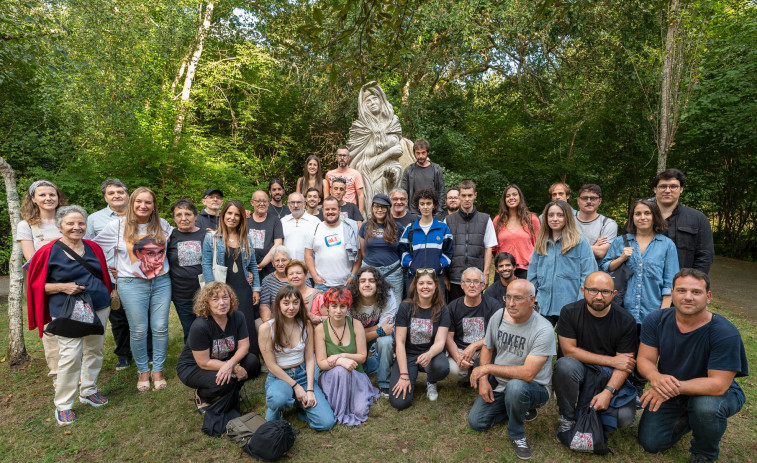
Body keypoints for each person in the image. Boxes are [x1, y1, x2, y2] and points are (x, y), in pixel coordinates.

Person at [637, 269, 748, 462]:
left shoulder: (724, 332)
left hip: (715, 393)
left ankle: (703, 453)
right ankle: (692, 417)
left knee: (705, 407)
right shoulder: (656, 320)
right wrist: (656, 378)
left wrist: (667, 387)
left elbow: (718, 384)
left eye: (696, 292)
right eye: (681, 290)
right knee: (651, 442)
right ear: (672, 294)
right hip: (673, 388)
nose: (688, 297)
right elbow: (645, 360)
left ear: (708, 297)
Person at [27, 206, 112, 425]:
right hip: (67, 310)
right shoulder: (47, 252)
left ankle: (88, 390)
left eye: (80, 223)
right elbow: (35, 286)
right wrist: (62, 286)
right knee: (70, 355)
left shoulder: (93, 247)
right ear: (60, 227)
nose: (76, 227)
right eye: (70, 224)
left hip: (99, 306)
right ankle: (63, 404)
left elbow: (102, 273)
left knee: (94, 349)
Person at [94, 187, 173, 392]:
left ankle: (158, 371)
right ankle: (142, 372)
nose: (143, 206)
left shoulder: (162, 224)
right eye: (139, 201)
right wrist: (110, 267)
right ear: (132, 203)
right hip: (131, 284)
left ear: (154, 205)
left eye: (148, 202)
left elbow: (181, 235)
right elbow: (93, 249)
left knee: (160, 327)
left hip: (161, 282)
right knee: (138, 330)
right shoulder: (117, 226)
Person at [467, 280, 556, 461]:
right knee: (477, 422)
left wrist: (486, 368)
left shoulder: (543, 329)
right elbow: (488, 347)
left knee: (516, 387)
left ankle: (517, 434)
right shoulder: (499, 316)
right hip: (502, 384)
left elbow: (528, 374)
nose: (511, 304)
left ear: (532, 300)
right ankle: (517, 407)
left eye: (517, 298)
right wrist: (484, 380)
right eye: (508, 297)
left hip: (534, 387)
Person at [553, 272, 639, 434]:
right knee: (564, 365)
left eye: (605, 292)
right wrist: (612, 361)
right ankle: (567, 416)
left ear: (614, 294)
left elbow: (625, 364)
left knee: (625, 418)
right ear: (582, 290)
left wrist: (608, 393)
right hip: (578, 369)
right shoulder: (569, 312)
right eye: (593, 290)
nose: (599, 296)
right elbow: (569, 351)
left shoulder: (626, 321)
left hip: (607, 375)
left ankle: (593, 411)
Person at [259, 285, 336, 431]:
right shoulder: (266, 328)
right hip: (280, 376)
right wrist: (296, 387)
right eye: (286, 303)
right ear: (278, 304)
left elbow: (309, 359)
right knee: (276, 402)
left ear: (300, 304)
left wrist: (310, 389)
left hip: (302, 373)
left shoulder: (306, 325)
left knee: (326, 423)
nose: (291, 307)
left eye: (295, 302)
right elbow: (271, 365)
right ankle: (284, 402)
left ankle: (300, 406)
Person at [176, 282, 261, 412]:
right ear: (206, 303)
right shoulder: (200, 326)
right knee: (224, 382)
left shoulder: (238, 316)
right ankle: (202, 396)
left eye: (225, 297)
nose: (222, 303)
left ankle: (231, 392)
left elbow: (244, 346)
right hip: (194, 367)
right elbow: (204, 362)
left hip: (224, 360)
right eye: (215, 299)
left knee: (252, 362)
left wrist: (231, 365)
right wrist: (234, 368)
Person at [84, 178, 135, 371]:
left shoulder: (139, 214)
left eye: (120, 192)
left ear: (127, 194)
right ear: (105, 196)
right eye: (111, 193)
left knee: (142, 316)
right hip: (111, 278)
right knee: (118, 318)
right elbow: (87, 247)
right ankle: (123, 354)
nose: (116, 196)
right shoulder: (94, 219)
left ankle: (147, 351)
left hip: (139, 275)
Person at [601, 199, 679, 325]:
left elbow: (670, 283)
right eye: (638, 214)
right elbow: (605, 268)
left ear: (655, 216)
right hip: (621, 311)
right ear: (632, 217)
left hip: (653, 312)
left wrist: (663, 313)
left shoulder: (667, 245)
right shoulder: (620, 241)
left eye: (647, 213)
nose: (642, 217)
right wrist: (621, 259)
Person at [202, 200, 261, 355]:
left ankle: (251, 356)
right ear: (223, 215)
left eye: (237, 214)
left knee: (246, 321)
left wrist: (256, 289)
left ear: (242, 218)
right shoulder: (212, 238)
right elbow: (206, 264)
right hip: (222, 287)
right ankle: (229, 355)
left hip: (243, 287)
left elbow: (253, 264)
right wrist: (212, 290)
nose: (233, 217)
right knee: (225, 321)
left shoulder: (246, 239)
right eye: (229, 213)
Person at [314, 287, 380, 426]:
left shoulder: (355, 324)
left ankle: (354, 398)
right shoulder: (320, 329)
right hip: (333, 378)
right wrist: (340, 362)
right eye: (334, 306)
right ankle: (339, 408)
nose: (338, 311)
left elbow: (362, 357)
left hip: (356, 374)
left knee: (360, 411)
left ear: (348, 307)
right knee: (341, 370)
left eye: (342, 306)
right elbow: (321, 363)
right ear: (327, 307)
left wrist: (340, 355)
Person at [527, 200, 597, 325]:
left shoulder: (579, 242)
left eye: (560, 215)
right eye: (551, 215)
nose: (555, 219)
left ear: (567, 217)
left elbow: (589, 275)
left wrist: (581, 304)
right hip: (543, 305)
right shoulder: (541, 242)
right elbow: (532, 275)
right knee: (541, 343)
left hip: (570, 306)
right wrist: (532, 300)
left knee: (566, 344)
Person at [389, 270, 450, 409]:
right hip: (408, 355)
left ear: (435, 286)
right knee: (399, 403)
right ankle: (409, 375)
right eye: (421, 283)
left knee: (442, 367)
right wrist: (404, 375)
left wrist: (429, 354)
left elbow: (440, 342)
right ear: (415, 286)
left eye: (429, 283)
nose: (425, 287)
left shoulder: (442, 309)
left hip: (430, 355)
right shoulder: (405, 307)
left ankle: (431, 380)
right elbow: (400, 342)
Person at [348, 83, 406, 210]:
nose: (372, 103)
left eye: (375, 98)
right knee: (378, 187)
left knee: (394, 173)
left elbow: (399, 149)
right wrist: (389, 152)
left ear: (381, 100)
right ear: (364, 106)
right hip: (370, 176)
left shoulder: (393, 121)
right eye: (368, 100)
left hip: (392, 170)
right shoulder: (360, 128)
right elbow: (362, 165)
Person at [347, 266, 398, 397]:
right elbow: (350, 335)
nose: (367, 284)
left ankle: (384, 383)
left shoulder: (387, 295)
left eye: (372, 280)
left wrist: (361, 331)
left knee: (385, 340)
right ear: (357, 284)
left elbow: (386, 329)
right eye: (363, 281)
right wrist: (377, 331)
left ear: (378, 283)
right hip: (355, 340)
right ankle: (376, 363)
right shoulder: (349, 299)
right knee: (360, 369)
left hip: (377, 336)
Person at [651, 168, 714, 274]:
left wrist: (693, 282)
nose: (667, 190)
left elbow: (705, 256)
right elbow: (626, 246)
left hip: (682, 285)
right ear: (655, 189)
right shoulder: (640, 216)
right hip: (645, 284)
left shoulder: (698, 219)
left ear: (681, 189)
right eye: (663, 186)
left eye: (673, 186)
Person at [445, 180, 497, 301]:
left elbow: (489, 247)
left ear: (475, 195)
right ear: (459, 196)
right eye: (463, 195)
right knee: (455, 312)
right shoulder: (448, 220)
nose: (467, 199)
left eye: (470, 195)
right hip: (455, 277)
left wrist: (486, 273)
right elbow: (444, 249)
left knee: (475, 312)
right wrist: (445, 276)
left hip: (476, 277)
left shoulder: (485, 219)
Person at [445, 267, 500, 381]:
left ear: (483, 285)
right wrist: (458, 358)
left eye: (476, 281)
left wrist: (473, 346)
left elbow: (496, 335)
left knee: (495, 362)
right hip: (461, 350)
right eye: (468, 281)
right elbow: (448, 337)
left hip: (485, 349)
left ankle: (479, 374)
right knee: (452, 369)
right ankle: (467, 377)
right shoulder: (452, 306)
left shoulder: (493, 305)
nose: (472, 285)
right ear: (462, 284)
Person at [399, 189, 454, 300]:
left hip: (436, 277)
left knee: (437, 310)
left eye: (428, 203)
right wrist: (410, 263)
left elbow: (448, 252)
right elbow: (402, 251)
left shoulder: (443, 228)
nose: (425, 207)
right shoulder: (410, 229)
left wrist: (440, 265)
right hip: (414, 278)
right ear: (418, 206)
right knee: (413, 310)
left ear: (434, 205)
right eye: (422, 204)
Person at [166, 199, 204, 342]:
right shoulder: (169, 237)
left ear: (195, 216)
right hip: (181, 293)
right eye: (179, 215)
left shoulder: (206, 235)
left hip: (204, 292)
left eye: (188, 214)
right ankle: (191, 361)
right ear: (174, 218)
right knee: (190, 330)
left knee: (207, 327)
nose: (183, 218)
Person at [304, 196, 362, 291]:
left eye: (333, 209)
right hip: (322, 285)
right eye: (327, 209)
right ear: (322, 210)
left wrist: (353, 275)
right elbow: (308, 255)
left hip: (346, 284)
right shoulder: (314, 229)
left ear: (339, 210)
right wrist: (314, 276)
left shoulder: (350, 228)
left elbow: (358, 254)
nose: (330, 212)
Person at [359, 193, 403, 303]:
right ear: (372, 208)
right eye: (376, 206)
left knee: (394, 307)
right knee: (370, 306)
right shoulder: (365, 227)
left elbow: (402, 250)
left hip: (393, 271)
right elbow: (362, 252)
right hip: (370, 272)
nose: (379, 210)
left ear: (388, 209)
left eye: (383, 207)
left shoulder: (397, 227)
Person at [492, 184, 540, 280]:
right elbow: (493, 248)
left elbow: (539, 246)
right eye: (508, 196)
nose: (511, 198)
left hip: (526, 270)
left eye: (514, 194)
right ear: (504, 200)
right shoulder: (498, 220)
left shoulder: (532, 219)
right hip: (504, 270)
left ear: (520, 197)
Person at [17, 179, 66, 262]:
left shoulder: (70, 222)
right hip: (46, 273)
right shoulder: (26, 225)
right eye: (42, 195)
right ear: (33, 199)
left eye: (52, 195)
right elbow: (32, 261)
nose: (48, 198)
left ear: (58, 197)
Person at [401, 138, 446, 215]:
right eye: (418, 153)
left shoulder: (436, 169)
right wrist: (407, 211)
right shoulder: (409, 170)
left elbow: (442, 192)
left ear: (427, 152)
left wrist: (438, 211)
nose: (420, 156)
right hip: (414, 213)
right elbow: (403, 193)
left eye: (423, 153)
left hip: (433, 213)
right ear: (414, 153)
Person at [574, 184, 618, 264]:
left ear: (599, 201)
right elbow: (560, 248)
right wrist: (594, 246)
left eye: (593, 198)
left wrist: (572, 247)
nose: (589, 201)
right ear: (578, 201)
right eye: (584, 198)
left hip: (595, 272)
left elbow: (600, 253)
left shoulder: (608, 224)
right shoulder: (568, 222)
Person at [248, 190, 284, 280]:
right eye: (258, 201)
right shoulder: (245, 219)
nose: (261, 204)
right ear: (252, 202)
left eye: (264, 201)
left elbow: (278, 243)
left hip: (269, 267)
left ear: (268, 203)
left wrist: (262, 264)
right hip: (247, 266)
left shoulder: (275, 220)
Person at [326, 145, 365, 215]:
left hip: (350, 210)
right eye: (340, 155)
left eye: (344, 155)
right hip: (333, 210)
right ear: (336, 157)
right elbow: (327, 195)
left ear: (349, 157)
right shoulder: (329, 174)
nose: (342, 158)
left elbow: (360, 195)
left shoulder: (356, 174)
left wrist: (359, 216)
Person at [281, 192, 320, 262]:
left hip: (308, 268)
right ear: (288, 204)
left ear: (304, 204)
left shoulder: (315, 221)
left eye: (299, 202)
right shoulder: (282, 222)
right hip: (287, 268)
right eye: (292, 203)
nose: (295, 205)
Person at [259, 246, 292, 322]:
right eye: (277, 260)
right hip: (276, 317)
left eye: (283, 260)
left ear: (290, 261)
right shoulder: (267, 280)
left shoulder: (297, 276)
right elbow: (264, 305)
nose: (280, 264)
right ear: (272, 263)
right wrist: (269, 323)